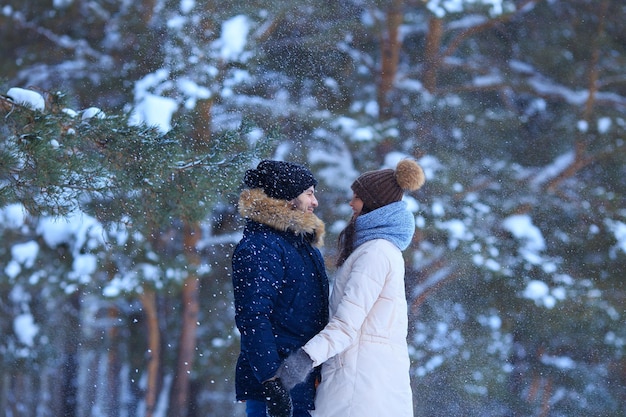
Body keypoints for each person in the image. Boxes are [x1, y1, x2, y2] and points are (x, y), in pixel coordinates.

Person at [276, 159, 425, 417]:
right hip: (368, 378)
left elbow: (347, 324)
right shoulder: (376, 249)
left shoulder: (375, 253)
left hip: (359, 385)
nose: (351, 203)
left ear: (373, 204)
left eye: (357, 197)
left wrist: (304, 359)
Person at [232, 159, 329, 417]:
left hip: (301, 386)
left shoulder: (301, 245)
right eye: (308, 193)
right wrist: (271, 382)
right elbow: (253, 317)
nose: (315, 201)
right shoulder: (261, 247)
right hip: (277, 390)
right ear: (288, 199)